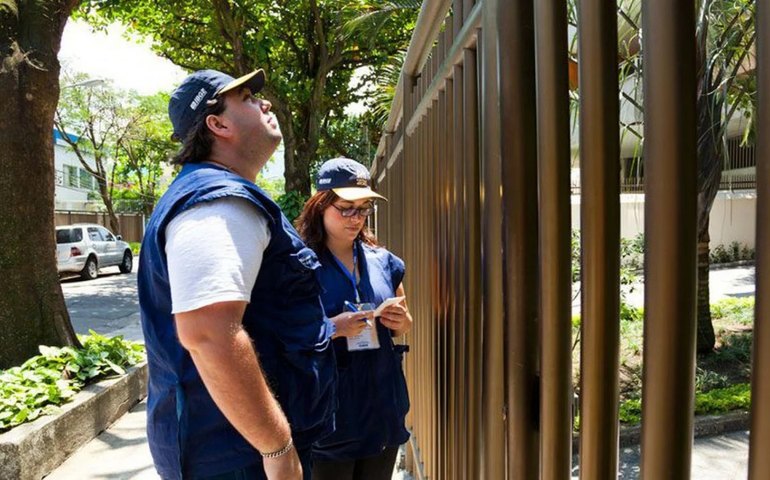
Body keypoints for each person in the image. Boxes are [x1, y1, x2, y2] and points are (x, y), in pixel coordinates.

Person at [137, 70, 367, 480]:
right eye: (245, 97)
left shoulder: (216, 194)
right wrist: (276, 447)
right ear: (217, 124)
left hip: (235, 447)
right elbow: (207, 333)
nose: (266, 103)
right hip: (240, 456)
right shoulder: (217, 201)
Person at [295, 158, 413, 480]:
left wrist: (399, 321)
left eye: (363, 209)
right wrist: (334, 327)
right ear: (320, 205)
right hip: (330, 416)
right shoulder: (300, 266)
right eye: (346, 207)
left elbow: (406, 323)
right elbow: (284, 334)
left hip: (381, 409)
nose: (356, 218)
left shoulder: (382, 261)